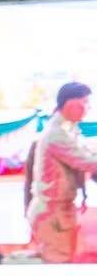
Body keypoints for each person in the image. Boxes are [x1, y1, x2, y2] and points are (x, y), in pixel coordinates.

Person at [26, 81, 96, 264]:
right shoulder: (57, 134)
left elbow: (86, 153)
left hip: (59, 211)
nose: (88, 108)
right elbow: (86, 162)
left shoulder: (68, 128)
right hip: (53, 214)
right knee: (57, 265)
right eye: (85, 103)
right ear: (71, 104)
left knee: (60, 259)